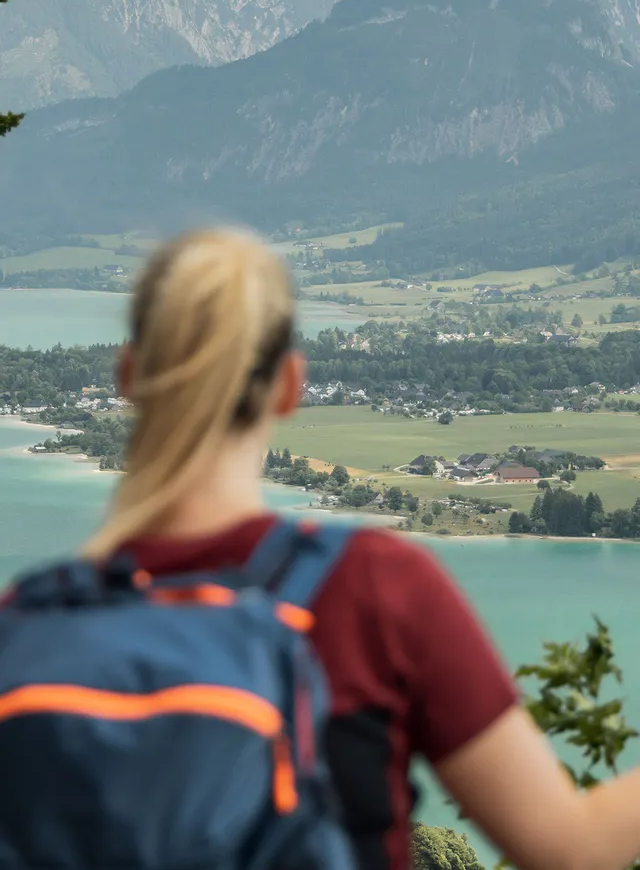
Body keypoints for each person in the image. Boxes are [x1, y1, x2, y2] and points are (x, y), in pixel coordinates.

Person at [85, 228, 640, 870]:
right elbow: (570, 849)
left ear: (127, 375)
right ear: (290, 385)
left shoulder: (29, 623)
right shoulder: (373, 585)